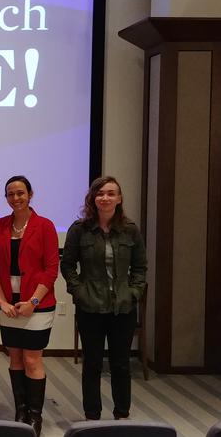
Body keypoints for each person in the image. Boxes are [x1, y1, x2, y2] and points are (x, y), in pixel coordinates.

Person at [61, 176, 147, 421]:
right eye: (100, 193)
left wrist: (134, 293)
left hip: (123, 308)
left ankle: (122, 415)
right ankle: (92, 416)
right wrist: (79, 292)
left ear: (119, 199)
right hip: (91, 308)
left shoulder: (130, 230)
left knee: (121, 364)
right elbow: (67, 266)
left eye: (111, 193)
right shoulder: (80, 230)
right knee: (93, 365)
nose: (105, 198)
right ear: (93, 198)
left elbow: (140, 267)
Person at [0, 176, 58, 436]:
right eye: (10, 194)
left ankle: (35, 417)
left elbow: (51, 270)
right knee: (15, 357)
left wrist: (33, 302)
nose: (15, 198)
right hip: (7, 306)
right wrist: (2, 300)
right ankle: (20, 410)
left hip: (37, 304)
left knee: (31, 359)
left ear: (30, 194)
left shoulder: (45, 226)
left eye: (20, 193)